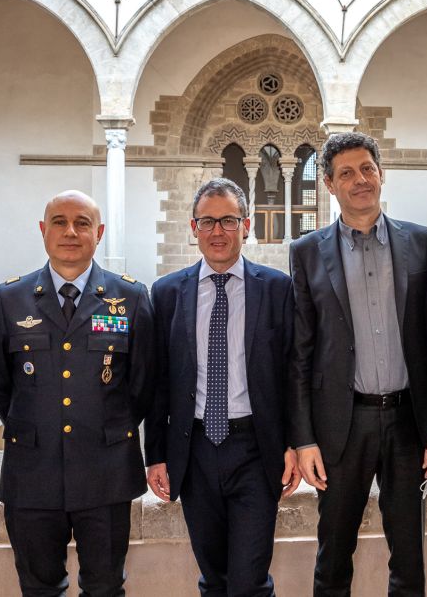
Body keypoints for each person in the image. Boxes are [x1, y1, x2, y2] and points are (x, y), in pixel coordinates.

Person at [289, 131, 427, 596]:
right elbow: (300, 353)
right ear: (329, 184)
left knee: (409, 558)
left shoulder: (419, 242)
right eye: (346, 173)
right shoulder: (307, 252)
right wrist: (303, 439)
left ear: (381, 174)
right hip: (341, 426)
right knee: (333, 557)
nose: (360, 180)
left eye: (367, 169)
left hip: (408, 423)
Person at [0, 189, 154, 596]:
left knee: (105, 587)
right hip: (32, 473)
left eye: (82, 223)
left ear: (99, 233)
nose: (70, 232)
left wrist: (105, 428)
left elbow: (144, 384)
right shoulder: (10, 298)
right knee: (39, 588)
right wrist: (38, 426)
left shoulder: (131, 297)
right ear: (43, 230)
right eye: (59, 222)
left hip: (107, 473)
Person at [144, 178, 299, 596]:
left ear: (246, 226)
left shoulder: (277, 289)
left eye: (228, 220)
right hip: (193, 450)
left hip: (256, 450)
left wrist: (294, 443)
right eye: (208, 221)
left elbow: (292, 373)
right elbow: (157, 383)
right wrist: (155, 454)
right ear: (193, 228)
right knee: (214, 579)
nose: (218, 231)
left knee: (249, 581)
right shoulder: (166, 294)